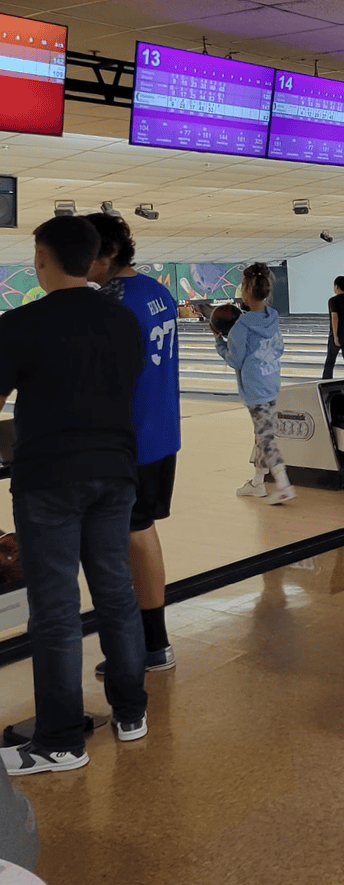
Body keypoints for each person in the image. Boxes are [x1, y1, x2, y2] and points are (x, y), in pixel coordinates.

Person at [0, 217, 147, 775]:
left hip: (49, 481)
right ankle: (131, 713)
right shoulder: (122, 320)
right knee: (115, 593)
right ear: (92, 261)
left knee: (57, 610)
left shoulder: (17, 324)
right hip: (115, 473)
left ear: (41, 258)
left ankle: (61, 742)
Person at [85, 212, 180, 676]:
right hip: (161, 434)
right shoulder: (158, 292)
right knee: (142, 535)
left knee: (130, 540)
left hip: (130, 441)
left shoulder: (111, 302)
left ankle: (147, 647)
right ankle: (152, 641)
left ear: (107, 255)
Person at [213, 263, 295, 503]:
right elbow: (279, 349)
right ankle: (258, 483)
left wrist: (220, 342)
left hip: (255, 390)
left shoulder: (241, 327)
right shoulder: (273, 318)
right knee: (261, 434)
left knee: (265, 436)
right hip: (271, 382)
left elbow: (235, 360)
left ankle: (283, 484)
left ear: (245, 292)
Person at [321, 275, 344, 387]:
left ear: (336, 286)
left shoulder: (333, 300)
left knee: (330, 362)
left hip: (337, 336)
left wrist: (335, 336)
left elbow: (334, 318)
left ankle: (326, 383)